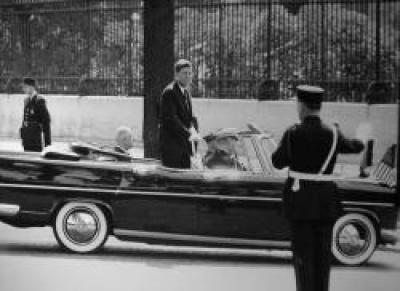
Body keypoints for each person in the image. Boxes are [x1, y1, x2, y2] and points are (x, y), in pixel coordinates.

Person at [271, 85, 365, 291]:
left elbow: (277, 162)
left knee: (303, 259)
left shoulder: (293, 132)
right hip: (325, 203)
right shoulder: (333, 132)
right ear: (319, 106)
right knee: (323, 259)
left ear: (302, 106)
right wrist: (361, 136)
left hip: (301, 202)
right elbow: (355, 146)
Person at [159, 59, 200, 168]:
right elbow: (171, 120)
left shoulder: (186, 93)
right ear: (177, 75)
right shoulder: (170, 92)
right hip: (172, 149)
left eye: (190, 73)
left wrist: (194, 130)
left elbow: (189, 118)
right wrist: (189, 134)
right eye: (184, 73)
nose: (188, 76)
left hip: (185, 149)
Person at [20, 78, 51, 152]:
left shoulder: (39, 100)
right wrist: (23, 135)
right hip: (27, 138)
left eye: (25, 87)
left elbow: (46, 122)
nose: (23, 89)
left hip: (36, 138)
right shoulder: (26, 100)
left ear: (31, 87)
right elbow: (25, 119)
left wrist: (47, 144)